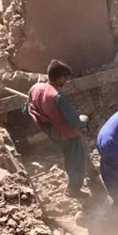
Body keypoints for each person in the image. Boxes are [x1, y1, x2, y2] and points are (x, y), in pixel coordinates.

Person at [24, 60, 94, 197]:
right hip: (67, 135)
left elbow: (26, 108)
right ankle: (73, 190)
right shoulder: (59, 97)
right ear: (61, 77)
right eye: (66, 78)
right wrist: (84, 119)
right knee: (76, 161)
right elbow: (74, 121)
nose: (66, 81)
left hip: (52, 133)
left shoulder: (35, 88)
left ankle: (91, 174)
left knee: (70, 156)